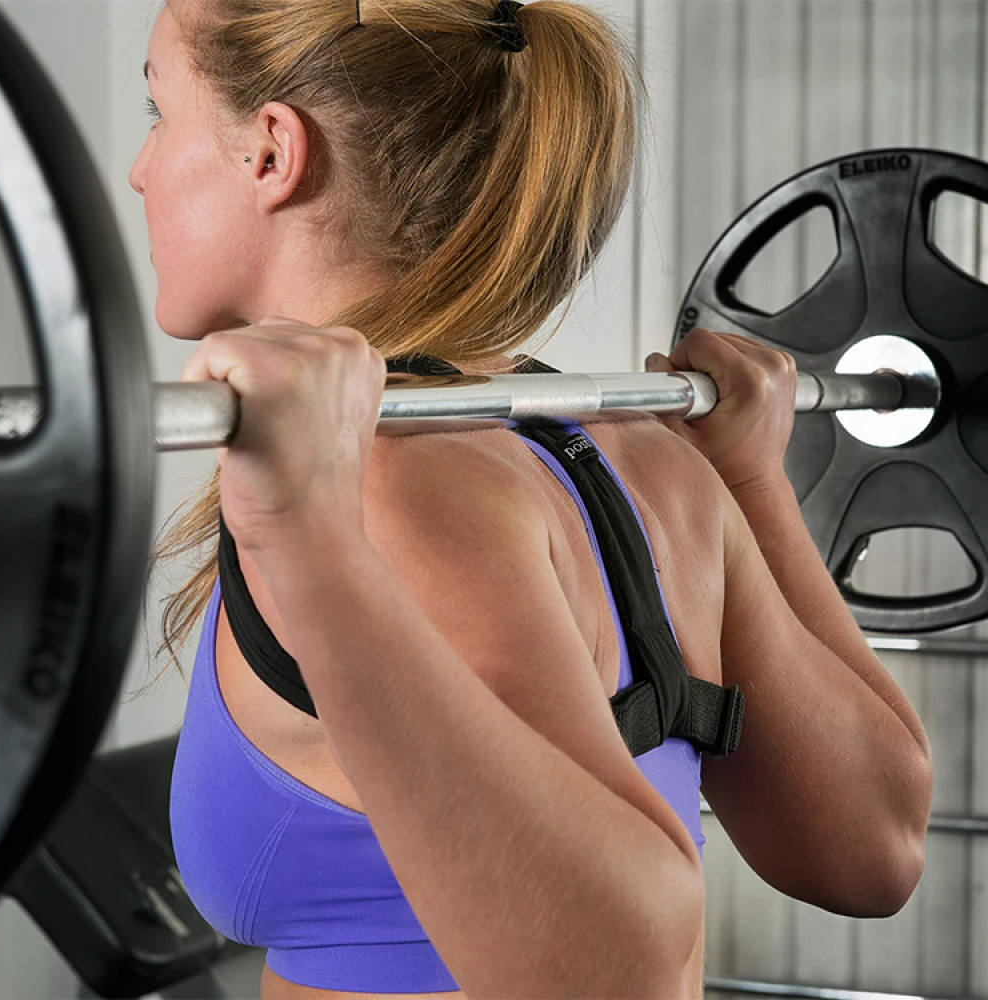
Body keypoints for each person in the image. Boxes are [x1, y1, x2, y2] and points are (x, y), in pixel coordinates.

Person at [133, 0, 934, 996]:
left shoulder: (390, 485)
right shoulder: (648, 457)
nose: (139, 169)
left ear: (271, 152)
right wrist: (750, 480)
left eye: (159, 110)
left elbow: (620, 974)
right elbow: (873, 850)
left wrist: (307, 540)